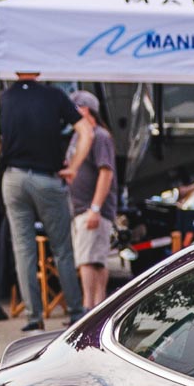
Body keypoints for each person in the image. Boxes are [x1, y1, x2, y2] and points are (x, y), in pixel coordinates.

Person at [0, 73, 93, 330]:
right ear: (38, 71)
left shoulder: (2, 98)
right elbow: (86, 132)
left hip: (13, 177)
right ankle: (75, 311)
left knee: (23, 248)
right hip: (47, 178)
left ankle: (33, 317)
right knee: (62, 249)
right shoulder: (55, 96)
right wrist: (74, 167)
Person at [65, 91, 116, 318]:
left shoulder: (100, 136)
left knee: (90, 260)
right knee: (91, 258)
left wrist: (95, 208)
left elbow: (106, 172)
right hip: (78, 208)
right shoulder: (78, 136)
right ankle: (96, 309)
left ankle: (90, 309)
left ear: (85, 110)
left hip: (92, 209)